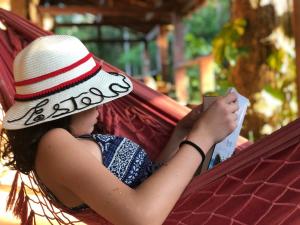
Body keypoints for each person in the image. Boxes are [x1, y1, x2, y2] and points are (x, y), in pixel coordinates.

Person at [0, 35, 238, 225]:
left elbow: (147, 184)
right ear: (62, 108)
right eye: (90, 99)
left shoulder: (69, 141)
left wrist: (181, 132)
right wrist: (203, 136)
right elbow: (140, 217)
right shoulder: (54, 143)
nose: (100, 107)